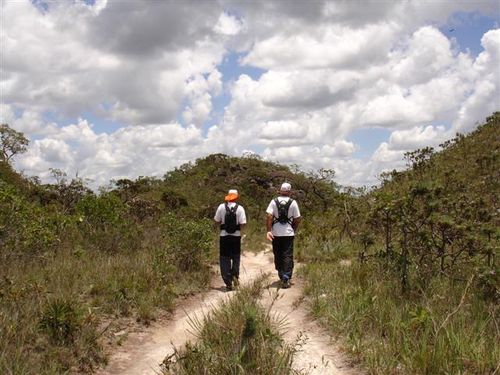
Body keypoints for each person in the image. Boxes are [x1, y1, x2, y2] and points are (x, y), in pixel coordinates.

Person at [266, 182, 301, 288]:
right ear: (289, 192)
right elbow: (297, 218)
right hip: (288, 233)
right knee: (287, 255)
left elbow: (269, 216)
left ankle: (281, 274)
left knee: (278, 254)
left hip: (275, 233)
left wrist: (269, 230)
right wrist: (293, 229)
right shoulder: (293, 202)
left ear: (280, 191)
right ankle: (286, 276)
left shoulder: (273, 201)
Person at [214, 189, 247, 291]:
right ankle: (235, 278)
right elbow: (243, 223)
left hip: (224, 236)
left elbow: (216, 220)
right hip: (236, 236)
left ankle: (228, 282)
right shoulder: (240, 208)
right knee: (236, 258)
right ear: (237, 197)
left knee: (224, 258)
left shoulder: (221, 207)